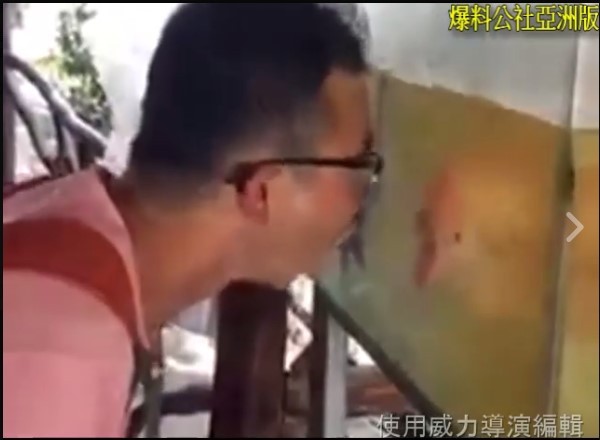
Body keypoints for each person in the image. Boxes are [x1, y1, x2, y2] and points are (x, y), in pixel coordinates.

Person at [3, 3, 382, 437]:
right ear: (261, 191)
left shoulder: (69, 221)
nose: (368, 192)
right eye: (360, 164)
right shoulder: (62, 359)